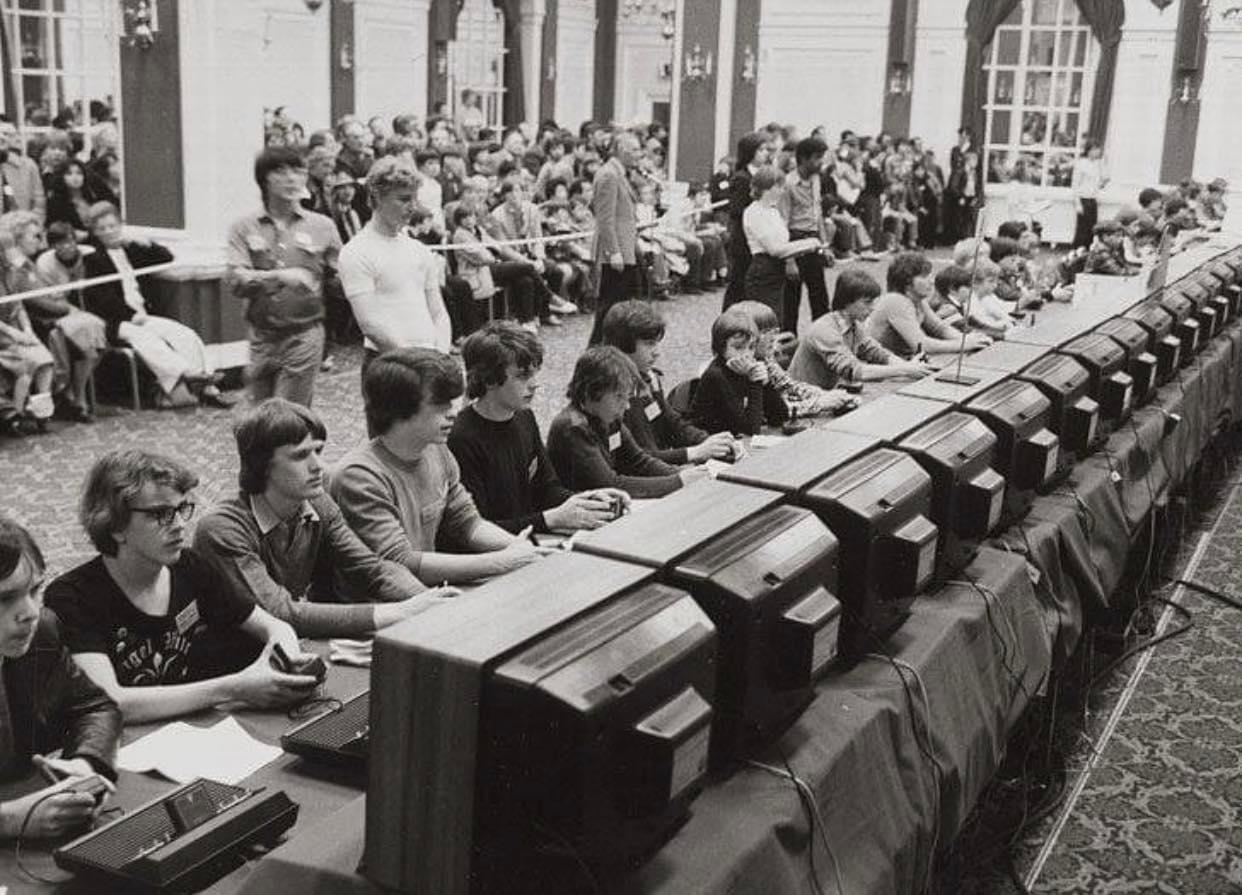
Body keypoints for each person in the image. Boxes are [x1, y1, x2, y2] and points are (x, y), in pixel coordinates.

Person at [46, 450, 324, 724]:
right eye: (160, 514)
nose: (179, 525)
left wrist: (287, 660)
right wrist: (235, 687)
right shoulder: (72, 597)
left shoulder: (190, 567)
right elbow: (111, 701)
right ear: (115, 525)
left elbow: (275, 627)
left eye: (181, 510)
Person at [193, 401, 449, 639]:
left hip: (289, 645)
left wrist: (429, 601)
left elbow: (372, 570)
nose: (318, 466)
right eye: (300, 455)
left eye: (317, 451)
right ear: (262, 465)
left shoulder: (317, 504)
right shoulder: (222, 529)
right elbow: (279, 611)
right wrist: (399, 612)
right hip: (232, 659)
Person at [331, 348, 544, 584]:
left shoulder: (437, 450)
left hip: (425, 591)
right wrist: (502, 561)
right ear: (399, 408)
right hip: (386, 601)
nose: (453, 413)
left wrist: (520, 546)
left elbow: (467, 522)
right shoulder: (360, 476)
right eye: (440, 404)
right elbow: (400, 561)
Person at [0, 516, 121, 840]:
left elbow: (95, 706)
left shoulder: (42, 632)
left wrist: (84, 765)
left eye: (34, 590)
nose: (29, 612)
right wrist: (10, 819)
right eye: (5, 598)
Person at [449, 322, 630, 533]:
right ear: (489, 379)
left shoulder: (524, 418)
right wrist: (549, 519)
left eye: (534, 374)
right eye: (522, 376)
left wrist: (587, 501)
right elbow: (478, 530)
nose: (534, 384)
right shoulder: (461, 438)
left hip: (529, 535)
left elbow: (547, 489)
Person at [81, 202, 232, 408]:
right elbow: (102, 297)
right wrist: (130, 315)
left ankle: (207, 386)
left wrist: (146, 243)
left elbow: (165, 257)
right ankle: (187, 374)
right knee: (146, 339)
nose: (109, 232)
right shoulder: (92, 258)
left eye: (112, 226)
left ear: (120, 225)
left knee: (183, 334)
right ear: (95, 232)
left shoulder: (130, 249)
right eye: (102, 228)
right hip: (116, 321)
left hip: (143, 315)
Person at [227, 147, 343, 408]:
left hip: (304, 334)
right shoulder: (244, 228)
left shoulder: (323, 226)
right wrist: (280, 276)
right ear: (264, 179)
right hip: (260, 338)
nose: (291, 178)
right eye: (280, 171)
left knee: (287, 413)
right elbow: (236, 279)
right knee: (262, 415)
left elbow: (341, 277)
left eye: (298, 171)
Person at [338, 157, 451, 374]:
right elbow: (370, 324)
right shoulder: (356, 251)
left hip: (429, 359)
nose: (413, 207)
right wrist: (419, 365)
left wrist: (441, 357)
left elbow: (438, 312)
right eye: (404, 199)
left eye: (415, 198)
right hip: (388, 364)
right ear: (377, 197)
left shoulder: (418, 249)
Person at [548, 346, 704, 497]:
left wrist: (681, 473)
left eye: (627, 396)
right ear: (591, 391)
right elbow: (611, 483)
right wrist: (677, 481)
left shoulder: (607, 416)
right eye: (619, 397)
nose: (627, 405)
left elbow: (639, 461)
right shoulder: (573, 426)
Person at [600, 300, 736, 464]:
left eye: (656, 343)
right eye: (649, 344)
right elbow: (636, 459)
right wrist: (693, 453)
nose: (656, 352)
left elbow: (672, 423)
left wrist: (710, 442)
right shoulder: (614, 393)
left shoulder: (649, 378)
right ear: (624, 344)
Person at [6, 214, 105, 424]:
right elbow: (36, 301)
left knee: (94, 332)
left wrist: (62, 304)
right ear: (18, 239)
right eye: (35, 236)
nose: (40, 241)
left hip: (52, 315)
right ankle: (73, 398)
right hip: (41, 322)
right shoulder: (16, 268)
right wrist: (65, 309)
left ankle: (74, 395)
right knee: (87, 336)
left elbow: (49, 292)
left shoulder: (29, 263)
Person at [788, 269, 932, 390]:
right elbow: (855, 371)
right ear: (847, 301)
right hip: (801, 398)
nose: (872, 308)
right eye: (867, 303)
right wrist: (906, 369)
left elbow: (877, 353)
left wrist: (911, 366)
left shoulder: (853, 325)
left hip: (824, 394)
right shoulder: (824, 330)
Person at [731, 300, 857, 418]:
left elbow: (789, 386)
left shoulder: (764, 357)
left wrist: (828, 395)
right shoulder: (740, 366)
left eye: (774, 331)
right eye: (765, 332)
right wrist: (820, 403)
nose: (773, 337)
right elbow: (772, 411)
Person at [866, 251, 991, 358]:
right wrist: (964, 344)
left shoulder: (918, 300)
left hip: (904, 360)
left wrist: (967, 338)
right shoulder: (895, 301)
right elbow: (921, 345)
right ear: (906, 281)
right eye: (924, 277)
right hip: (884, 364)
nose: (931, 281)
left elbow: (940, 329)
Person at [741, 166, 823, 330]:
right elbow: (775, 249)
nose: (782, 191)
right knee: (766, 323)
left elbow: (784, 245)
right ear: (767, 188)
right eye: (779, 187)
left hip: (776, 271)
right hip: (763, 271)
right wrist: (809, 243)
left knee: (778, 321)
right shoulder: (754, 212)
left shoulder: (773, 212)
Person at [690, 309, 790, 436]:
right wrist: (755, 383)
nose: (746, 354)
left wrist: (765, 384)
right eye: (738, 348)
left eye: (751, 347)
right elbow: (750, 430)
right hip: (710, 439)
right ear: (721, 348)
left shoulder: (747, 367)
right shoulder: (716, 375)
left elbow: (781, 417)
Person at [588, 131, 641, 344]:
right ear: (622, 150)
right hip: (615, 253)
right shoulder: (609, 175)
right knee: (609, 309)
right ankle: (596, 348)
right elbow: (605, 218)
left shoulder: (618, 174)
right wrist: (613, 252)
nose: (638, 154)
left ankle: (613, 347)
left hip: (625, 248)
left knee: (620, 307)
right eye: (635, 149)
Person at [776, 138, 835, 330]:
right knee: (791, 300)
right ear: (803, 159)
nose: (821, 162)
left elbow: (817, 214)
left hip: (813, 241)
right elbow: (782, 223)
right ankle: (789, 342)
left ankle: (823, 338)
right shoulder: (788, 184)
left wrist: (825, 246)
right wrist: (789, 260)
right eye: (817, 158)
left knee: (820, 297)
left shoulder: (816, 180)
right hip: (794, 240)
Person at [723, 132, 770, 310]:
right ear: (750, 152)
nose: (765, 153)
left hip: (756, 235)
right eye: (761, 150)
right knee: (738, 283)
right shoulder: (742, 178)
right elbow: (736, 210)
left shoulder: (761, 175)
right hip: (743, 237)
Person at [0, 118, 46, 221]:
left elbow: (39, 201)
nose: (2, 137)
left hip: (22, 226)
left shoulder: (28, 165)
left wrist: (35, 223)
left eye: (6, 134)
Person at [1071, 140, 1108, 249]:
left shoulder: (1098, 164)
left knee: (1092, 228)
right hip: (1083, 199)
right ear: (1089, 150)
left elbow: (1100, 184)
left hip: (1093, 200)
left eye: (1098, 149)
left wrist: (1104, 177)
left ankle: (1088, 251)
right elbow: (1075, 185)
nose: (1098, 152)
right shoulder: (1081, 164)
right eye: (1096, 149)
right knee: (1082, 229)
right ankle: (1077, 251)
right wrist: (1077, 203)